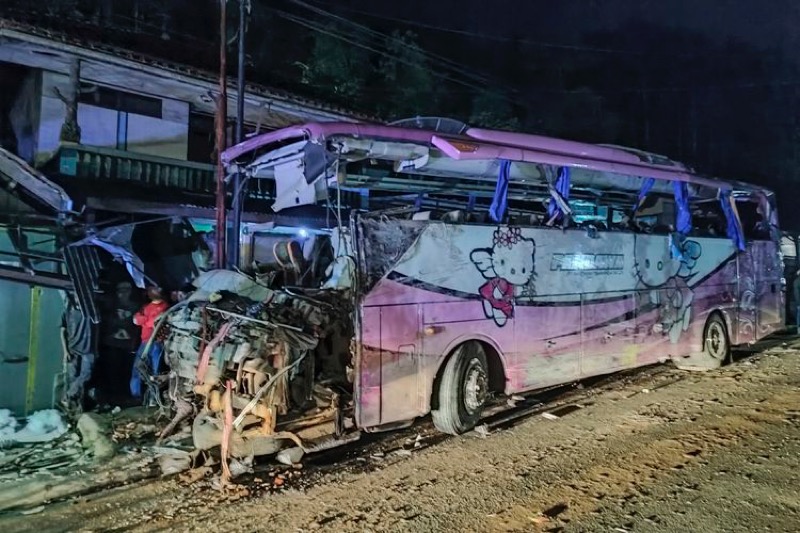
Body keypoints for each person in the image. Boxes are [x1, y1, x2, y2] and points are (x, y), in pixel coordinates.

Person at [129, 286, 169, 399]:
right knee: (138, 369)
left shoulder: (165, 307)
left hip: (157, 343)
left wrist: (144, 320)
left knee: (155, 372)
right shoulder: (146, 307)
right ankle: (136, 396)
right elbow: (136, 319)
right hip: (145, 342)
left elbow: (153, 323)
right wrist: (145, 320)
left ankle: (153, 398)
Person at [793, 269, 800, 333]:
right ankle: (798, 328)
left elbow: (796, 293)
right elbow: (796, 293)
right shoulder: (797, 281)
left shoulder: (796, 281)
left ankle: (798, 328)